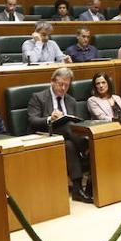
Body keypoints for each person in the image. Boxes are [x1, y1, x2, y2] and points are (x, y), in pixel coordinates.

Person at [26, 67, 91, 202]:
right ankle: (86, 148)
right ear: (52, 81)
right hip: (45, 135)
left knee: (69, 144)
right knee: (68, 127)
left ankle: (77, 189)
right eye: (60, 84)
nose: (63, 88)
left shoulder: (71, 101)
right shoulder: (38, 97)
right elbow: (33, 121)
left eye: (66, 85)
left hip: (66, 140)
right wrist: (50, 118)